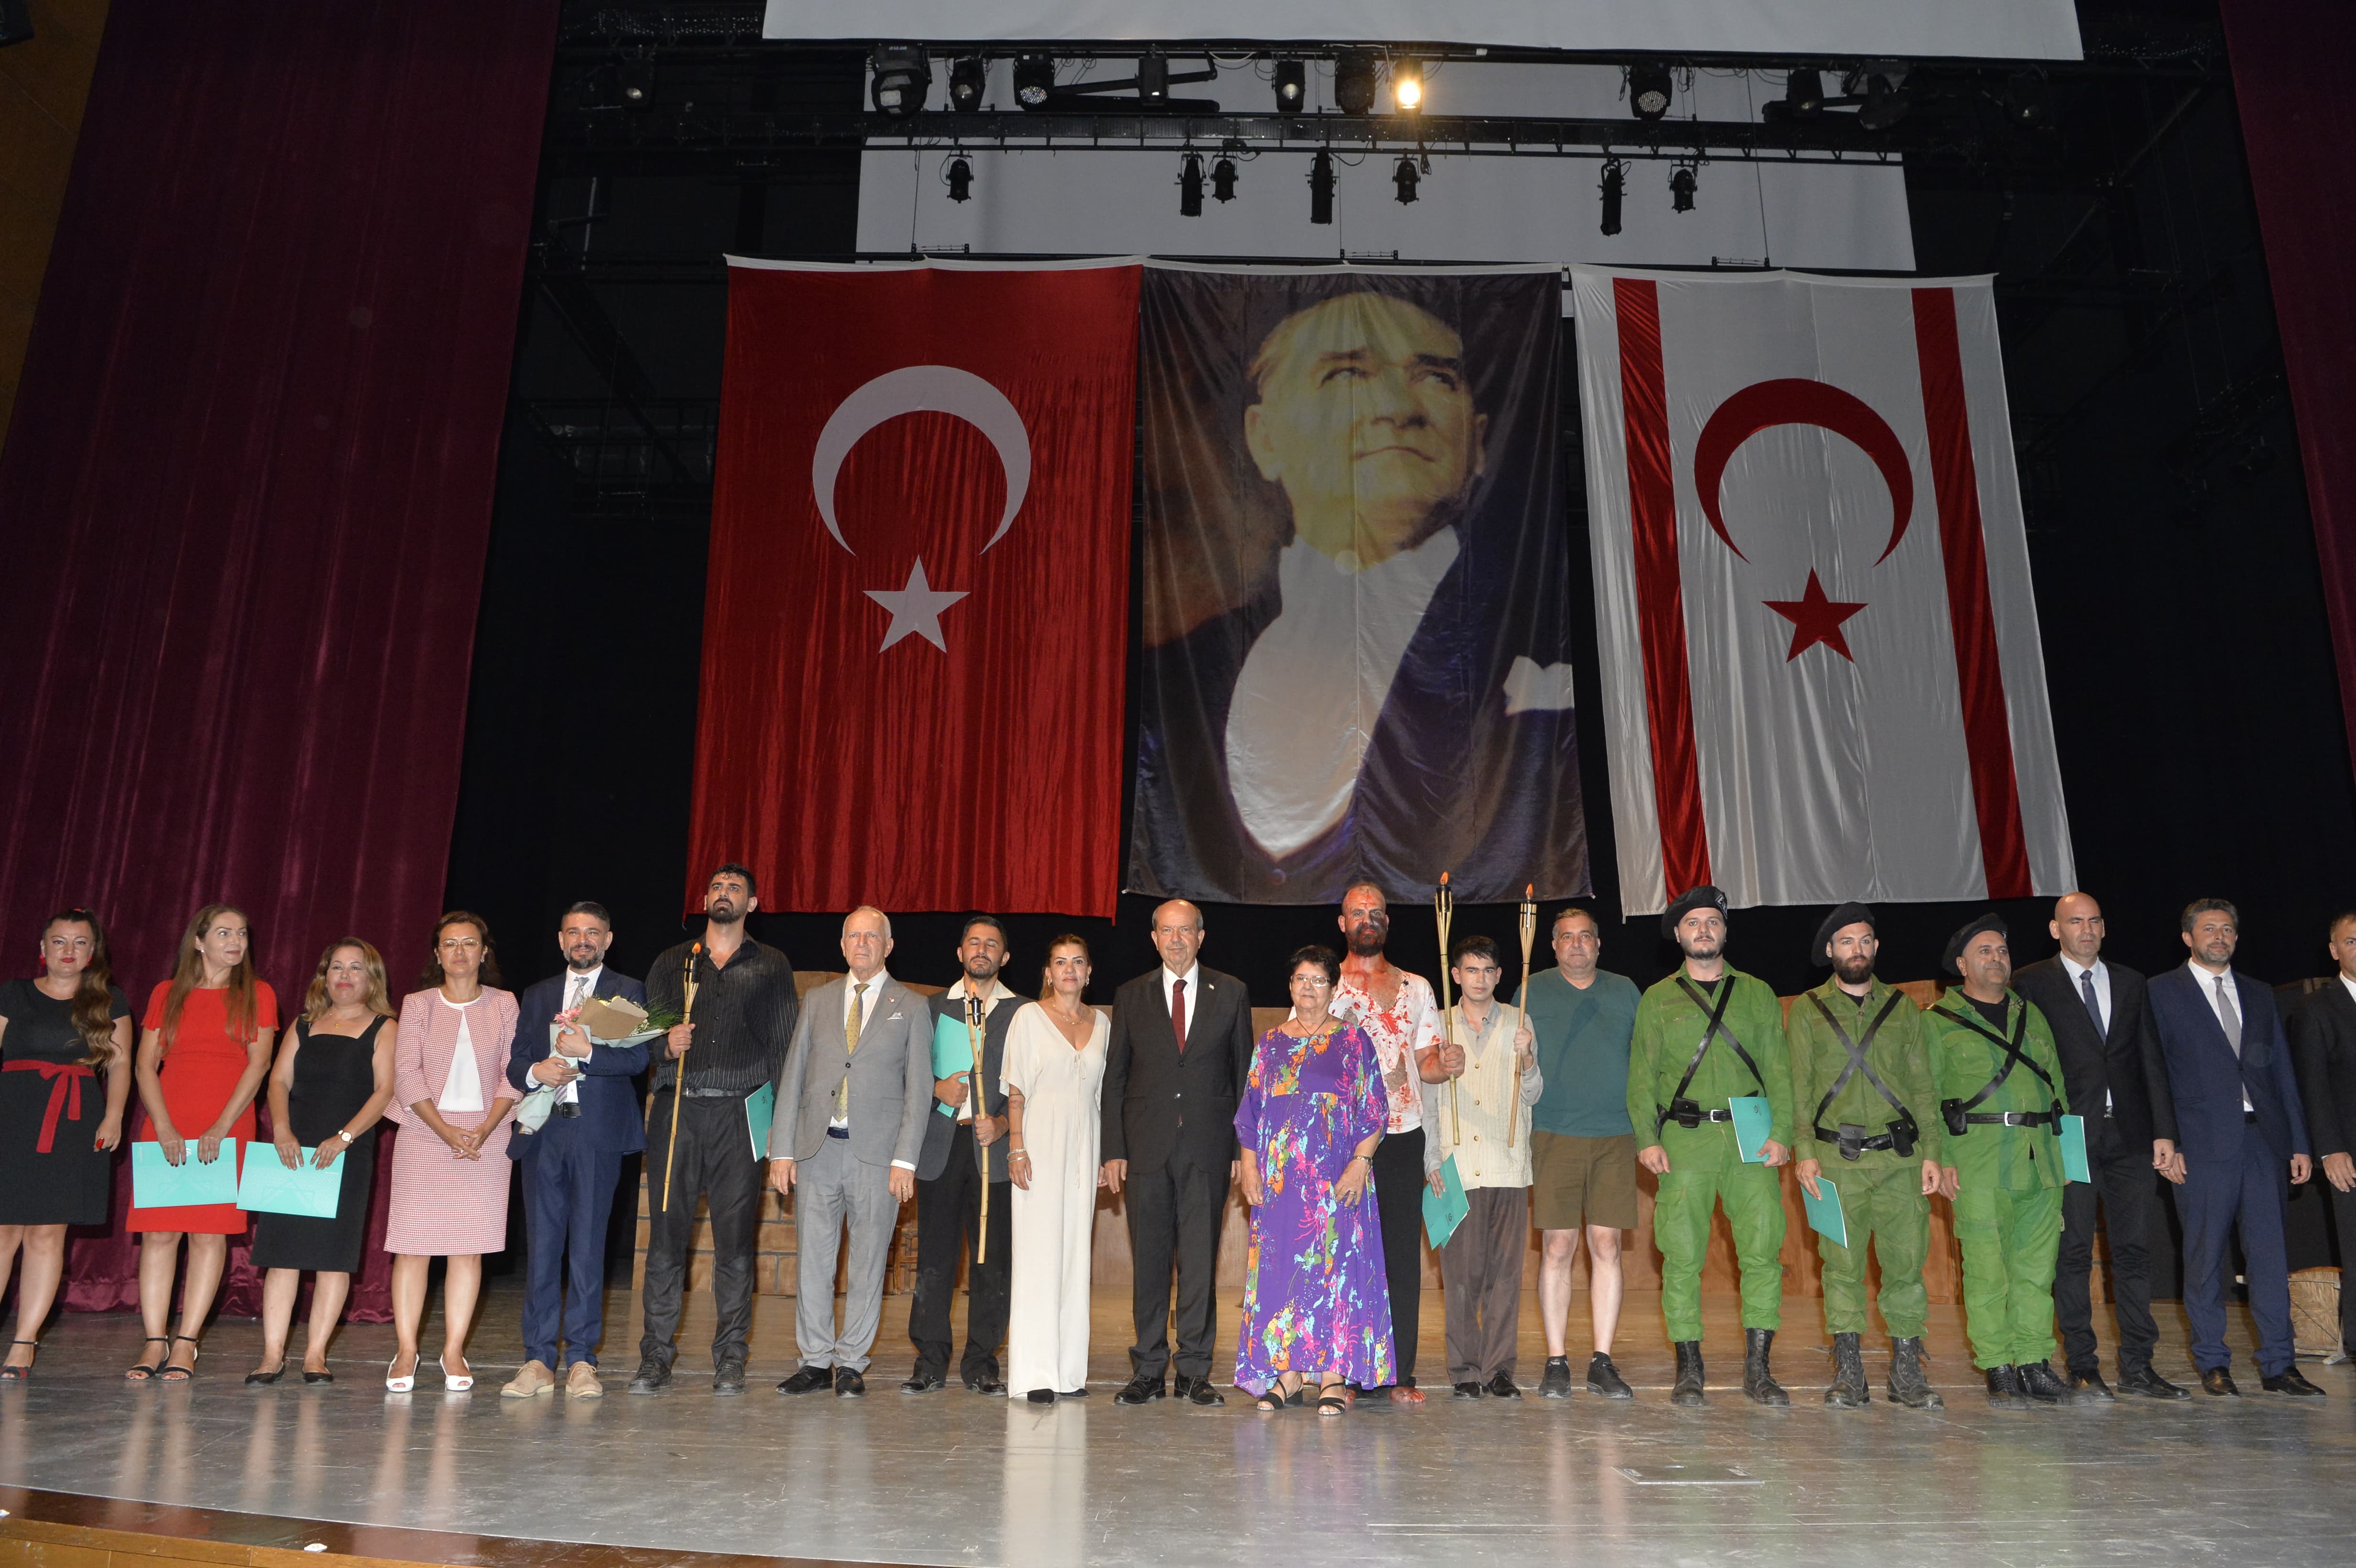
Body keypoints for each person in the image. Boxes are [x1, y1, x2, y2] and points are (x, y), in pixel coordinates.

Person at [1131, 287, 1580, 904]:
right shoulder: (1177, 677)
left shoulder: (1543, 633)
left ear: (1477, 440)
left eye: (1435, 379)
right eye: (1345, 375)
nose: (1396, 408)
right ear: (1264, 438)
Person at [2013, 891, 2188, 1400]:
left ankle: (2138, 1365)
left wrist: (2164, 1131)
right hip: (2067, 1134)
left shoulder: (2132, 982)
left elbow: (2150, 1060)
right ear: (2056, 929)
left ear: (2104, 928)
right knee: (2072, 1252)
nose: (2085, 930)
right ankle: (2083, 1365)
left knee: (2133, 1251)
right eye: (2075, 921)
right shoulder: (2031, 982)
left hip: (2130, 1135)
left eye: (2093, 921)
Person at [634, 863, 798, 1395]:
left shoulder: (771, 964)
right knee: (666, 1239)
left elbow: (784, 1050)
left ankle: (730, 1357)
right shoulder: (672, 961)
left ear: (752, 904)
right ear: (705, 899)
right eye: (717, 887)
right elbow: (644, 1038)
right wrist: (665, 1045)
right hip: (677, 1110)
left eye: (735, 888)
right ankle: (655, 1357)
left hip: (740, 1114)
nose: (724, 893)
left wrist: (780, 1128)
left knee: (735, 1243)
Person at [1626, 884, 1793, 1406]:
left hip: (1752, 1136)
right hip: (1685, 1138)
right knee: (1680, 1256)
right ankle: (1689, 1369)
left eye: (1712, 922)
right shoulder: (1657, 999)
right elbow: (1641, 1077)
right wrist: (1646, 1138)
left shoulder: (1758, 994)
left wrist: (1783, 1133)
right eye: (1693, 923)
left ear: (1724, 932)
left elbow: (1780, 1070)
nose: (1703, 930)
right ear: (1678, 935)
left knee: (1762, 1252)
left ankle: (1758, 1370)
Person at [2148, 899, 2322, 1397]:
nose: (2219, 936)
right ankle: (2212, 1362)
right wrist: (2168, 1139)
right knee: (2204, 1258)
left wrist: (2298, 1143)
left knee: (2269, 1258)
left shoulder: (2259, 993)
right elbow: (2153, 1072)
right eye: (2209, 929)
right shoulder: (2159, 992)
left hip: (2263, 1142)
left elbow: (2282, 1072)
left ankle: (2279, 1364)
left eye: (2227, 929)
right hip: (2199, 1145)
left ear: (2237, 937)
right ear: (2188, 938)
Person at [1785, 904, 1945, 1410]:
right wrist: (1804, 1152)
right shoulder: (1807, 1010)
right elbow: (1799, 1088)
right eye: (1846, 941)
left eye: (1865, 940)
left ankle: (1906, 1372)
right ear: (1829, 951)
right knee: (1840, 1267)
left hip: (1900, 1160)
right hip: (1834, 1161)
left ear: (1876, 947)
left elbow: (1923, 1087)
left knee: (1906, 1267)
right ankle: (1849, 1373)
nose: (1857, 949)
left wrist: (1932, 1152)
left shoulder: (1903, 1009)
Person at [770, 906, 933, 1398]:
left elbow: (919, 1089)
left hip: (878, 1158)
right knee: (814, 1261)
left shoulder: (912, 1006)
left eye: (872, 936)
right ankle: (815, 1361)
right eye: (854, 936)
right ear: (842, 946)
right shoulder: (818, 1001)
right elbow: (793, 1076)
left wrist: (905, 1160)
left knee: (867, 1262)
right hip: (816, 1150)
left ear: (889, 946)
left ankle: (851, 1363)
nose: (862, 943)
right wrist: (782, 1150)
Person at [1102, 899, 1254, 1407]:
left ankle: (1193, 1370)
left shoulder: (1231, 992)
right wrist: (1113, 1149)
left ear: (1200, 936)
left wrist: (1243, 1148)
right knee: (1149, 1265)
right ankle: (1147, 1369)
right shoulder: (1130, 995)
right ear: (1154, 938)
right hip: (1145, 1149)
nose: (1175, 939)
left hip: (1208, 1149)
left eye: (1184, 930)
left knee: (1198, 1264)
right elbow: (1115, 1078)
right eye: (1166, 931)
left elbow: (1243, 1078)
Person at [1235, 946, 1392, 1415]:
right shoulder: (1269, 1044)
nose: (1308, 987)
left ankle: (1332, 1377)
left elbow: (1374, 1110)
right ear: (1290, 986)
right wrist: (1249, 1167)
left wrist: (1360, 1163)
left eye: (1318, 980)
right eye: (1301, 979)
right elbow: (1249, 1115)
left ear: (1333, 989)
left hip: (1336, 1181)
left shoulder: (1353, 1041)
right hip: (1281, 1186)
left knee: (1335, 1274)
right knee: (1282, 1275)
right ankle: (1286, 1377)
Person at [1921, 913, 2070, 1406]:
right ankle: (1997, 1365)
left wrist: (2068, 1159)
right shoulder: (1936, 1022)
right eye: (1983, 951)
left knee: (2036, 1270)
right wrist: (1938, 1158)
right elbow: (1926, 1097)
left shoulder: (2033, 1015)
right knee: (1987, 1269)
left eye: (2002, 950)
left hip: (2041, 1160)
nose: (1996, 958)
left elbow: (2057, 1089)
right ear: (1962, 965)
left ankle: (2033, 1361)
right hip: (1977, 1162)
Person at [501, 903, 647, 1400]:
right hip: (544, 1131)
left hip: (597, 1133)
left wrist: (587, 1053)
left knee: (588, 1245)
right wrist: (534, 1071)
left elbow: (637, 1059)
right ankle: (539, 1359)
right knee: (542, 1247)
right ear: (561, 940)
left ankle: (582, 1359)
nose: (582, 939)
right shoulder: (538, 993)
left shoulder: (627, 991)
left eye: (592, 932)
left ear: (608, 939)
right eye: (573, 932)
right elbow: (516, 1062)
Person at [128, 903, 276, 1383]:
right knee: (160, 1233)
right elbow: (144, 1064)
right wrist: (164, 1126)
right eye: (224, 933)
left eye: (242, 933)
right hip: (167, 1121)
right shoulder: (167, 992)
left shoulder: (258, 993)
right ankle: (155, 1340)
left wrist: (219, 1126)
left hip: (226, 1126)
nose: (236, 941)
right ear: (199, 941)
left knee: (209, 1235)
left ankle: (187, 1342)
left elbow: (259, 1065)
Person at [245, 940, 396, 1385]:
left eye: (356, 968)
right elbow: (278, 1080)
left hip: (347, 1152)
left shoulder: (385, 1026)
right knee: (282, 1256)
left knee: (334, 1258)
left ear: (372, 978)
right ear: (323, 976)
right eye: (336, 967)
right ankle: (272, 1355)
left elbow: (386, 1091)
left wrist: (345, 1137)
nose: (344, 976)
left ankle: (315, 1355)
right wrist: (281, 1129)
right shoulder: (304, 1023)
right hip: (292, 1149)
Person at [384, 912, 520, 1393]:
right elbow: (406, 1073)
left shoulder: (505, 1003)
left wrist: (485, 1128)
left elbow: (514, 1071)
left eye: (469, 943)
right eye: (449, 944)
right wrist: (444, 1130)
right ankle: (406, 1349)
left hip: (488, 1136)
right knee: (412, 1248)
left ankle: (454, 1349)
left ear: (484, 952)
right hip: (424, 1134)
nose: (459, 951)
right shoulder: (418, 1003)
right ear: (437, 954)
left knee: (468, 1249)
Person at [1512, 905, 1640, 1400]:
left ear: (1599, 944)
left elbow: (1645, 1061)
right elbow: (1514, 1066)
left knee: (1606, 1245)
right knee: (1558, 1247)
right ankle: (1556, 1360)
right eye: (1567, 937)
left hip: (1615, 1134)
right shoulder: (1531, 991)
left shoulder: (1625, 990)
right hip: (1553, 1132)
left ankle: (1602, 1361)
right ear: (1553, 946)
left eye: (1586, 936)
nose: (1577, 944)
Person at [0, 909, 132, 1378]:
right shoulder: (13, 993)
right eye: (59, 941)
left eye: (79, 943)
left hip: (74, 1122)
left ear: (92, 952)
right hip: (11, 1118)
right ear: (43, 949)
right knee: (3, 1231)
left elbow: (120, 1064)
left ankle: (24, 1342)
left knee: (46, 1233)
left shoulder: (109, 1000)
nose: (68, 951)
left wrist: (114, 1115)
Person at [1328, 882, 1440, 1402]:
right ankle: (1345, 1374)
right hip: (1343, 1139)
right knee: (1346, 1257)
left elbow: (1427, 1064)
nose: (1367, 920)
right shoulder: (1324, 984)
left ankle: (1400, 1374)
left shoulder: (1417, 986)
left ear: (1387, 922)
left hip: (1402, 1134)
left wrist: (1446, 1063)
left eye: (1375, 913)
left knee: (1399, 1258)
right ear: (1343, 923)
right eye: (1358, 913)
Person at [906, 915, 1023, 1395]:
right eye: (973, 942)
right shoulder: (930, 1008)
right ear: (959, 953)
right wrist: (935, 1088)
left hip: (992, 1147)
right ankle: (929, 1361)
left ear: (1004, 957)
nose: (981, 950)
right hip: (941, 1144)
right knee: (935, 1258)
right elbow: (906, 1072)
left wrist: (1004, 1124)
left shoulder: (1023, 1013)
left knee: (991, 1261)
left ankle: (981, 1362)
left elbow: (1033, 1084)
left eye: (991, 944)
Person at [1425, 933, 1541, 1399]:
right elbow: (1427, 1101)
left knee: (1505, 1277)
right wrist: (1430, 1159)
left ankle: (1499, 1370)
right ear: (1455, 975)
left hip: (1507, 1166)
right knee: (1459, 1279)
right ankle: (1465, 1371)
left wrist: (1527, 1058)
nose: (1480, 978)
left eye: (1488, 970)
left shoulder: (1519, 1020)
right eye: (1471, 970)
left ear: (1499, 975)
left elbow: (1533, 1094)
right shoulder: (1437, 1025)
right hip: (1455, 1167)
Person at [1002, 935, 1110, 1403]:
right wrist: (1016, 1147)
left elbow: (1103, 1096)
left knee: (1074, 1257)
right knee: (1038, 1257)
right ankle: (1035, 1374)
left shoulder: (1103, 1023)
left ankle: (1068, 1372)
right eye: (1060, 962)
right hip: (1039, 1148)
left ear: (1089, 972)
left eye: (1078, 962)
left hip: (1084, 1148)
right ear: (1048, 973)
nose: (1069, 969)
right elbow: (1016, 1091)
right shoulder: (1028, 1017)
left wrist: (1105, 1156)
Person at [2286, 909, 2356, 1365]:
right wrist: (2330, 1149)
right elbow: (2312, 1085)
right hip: (2349, 1151)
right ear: (2334, 951)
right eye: (2352, 941)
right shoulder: (2317, 1008)